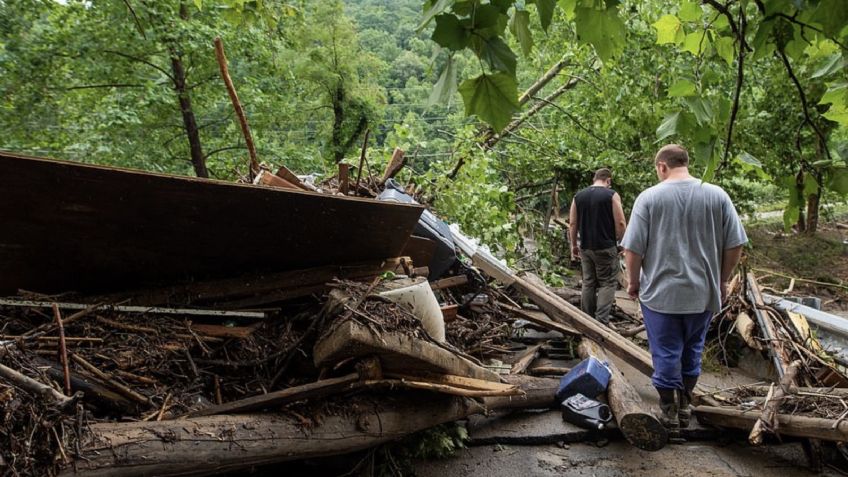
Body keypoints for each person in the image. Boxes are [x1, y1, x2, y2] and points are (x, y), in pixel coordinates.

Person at [620, 144, 747, 436]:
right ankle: (686, 405)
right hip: (702, 294)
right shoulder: (718, 195)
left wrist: (634, 281)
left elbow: (633, 248)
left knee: (665, 352)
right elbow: (735, 243)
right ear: (685, 163)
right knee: (692, 350)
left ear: (662, 166)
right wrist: (722, 279)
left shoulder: (649, 197)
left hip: (661, 296)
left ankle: (669, 413)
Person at [568, 168, 627, 327]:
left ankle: (587, 320)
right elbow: (620, 222)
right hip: (606, 247)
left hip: (586, 247)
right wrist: (623, 243)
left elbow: (572, 223)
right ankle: (601, 321)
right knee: (607, 283)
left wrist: (574, 245)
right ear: (608, 180)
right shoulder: (611, 195)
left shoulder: (578, 196)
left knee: (588, 282)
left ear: (594, 179)